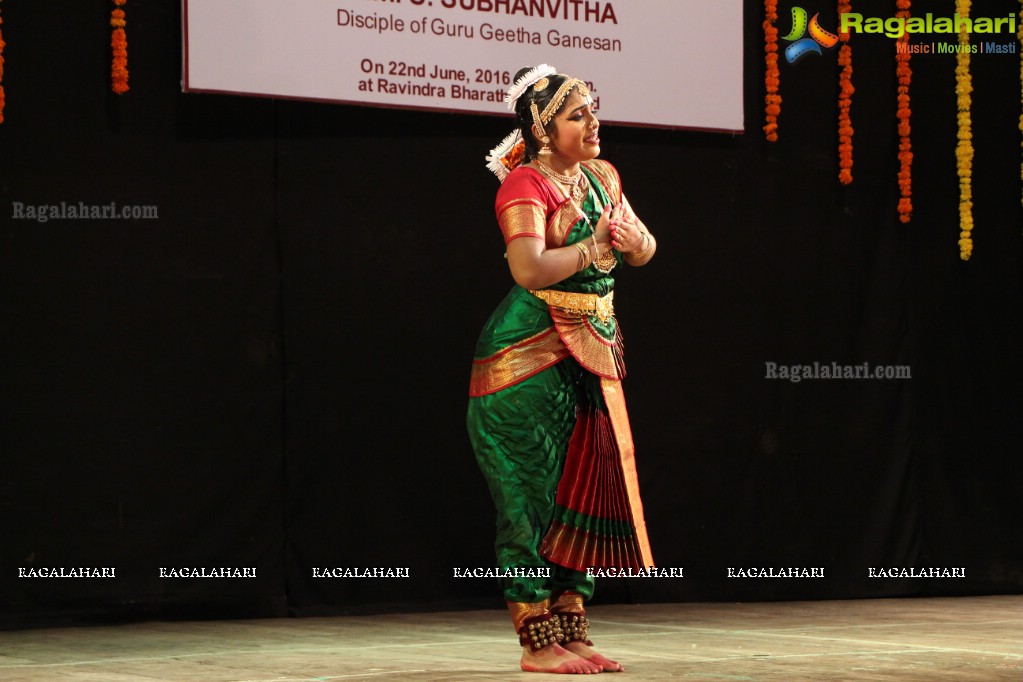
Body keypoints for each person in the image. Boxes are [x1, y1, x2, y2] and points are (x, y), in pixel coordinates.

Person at [467, 64, 657, 674]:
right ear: (545, 131)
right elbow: (527, 271)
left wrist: (631, 242)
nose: (594, 121)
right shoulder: (523, 186)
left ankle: (572, 628)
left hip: (591, 353)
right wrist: (594, 248)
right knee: (529, 501)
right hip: (523, 362)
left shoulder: (603, 175)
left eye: (592, 108)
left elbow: (647, 246)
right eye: (578, 114)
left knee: (581, 494)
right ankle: (534, 640)